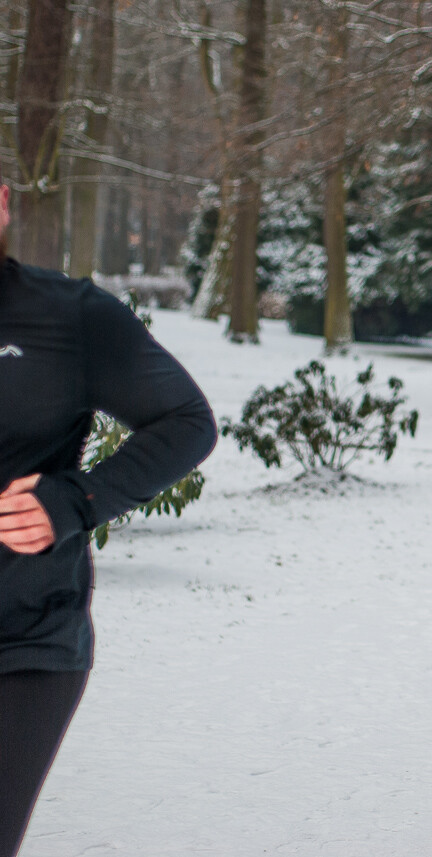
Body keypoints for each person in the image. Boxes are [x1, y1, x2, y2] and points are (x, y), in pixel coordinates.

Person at [0, 173, 217, 857]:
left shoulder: (70, 315)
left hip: (24, 639)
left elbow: (186, 422)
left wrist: (76, 499)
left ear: (3, 202)